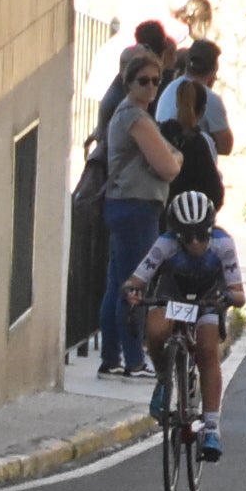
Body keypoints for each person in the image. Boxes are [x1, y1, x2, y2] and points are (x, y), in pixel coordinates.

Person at [124, 189, 243, 462]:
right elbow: (137, 279)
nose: (195, 243)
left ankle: (212, 427)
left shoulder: (223, 244)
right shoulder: (165, 244)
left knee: (207, 351)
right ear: (176, 234)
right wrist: (132, 291)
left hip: (207, 298)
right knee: (156, 331)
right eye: (187, 237)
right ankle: (164, 379)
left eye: (202, 235)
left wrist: (228, 298)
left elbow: (239, 294)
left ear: (211, 229)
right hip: (172, 295)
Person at [100, 54, 183, 377]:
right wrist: (175, 157)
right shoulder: (135, 117)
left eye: (155, 81)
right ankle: (133, 359)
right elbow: (168, 166)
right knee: (137, 285)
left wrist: (171, 157)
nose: (150, 87)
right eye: (143, 81)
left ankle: (112, 357)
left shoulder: (131, 116)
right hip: (136, 207)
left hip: (125, 205)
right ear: (129, 83)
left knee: (117, 283)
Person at [154, 40, 235, 157]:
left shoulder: (170, 88)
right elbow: (226, 146)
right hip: (193, 165)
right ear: (214, 68)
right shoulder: (210, 99)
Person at [160, 77, 226, 218]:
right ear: (202, 110)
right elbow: (215, 192)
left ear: (176, 104)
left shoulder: (161, 133)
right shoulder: (201, 142)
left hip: (163, 213)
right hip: (193, 217)